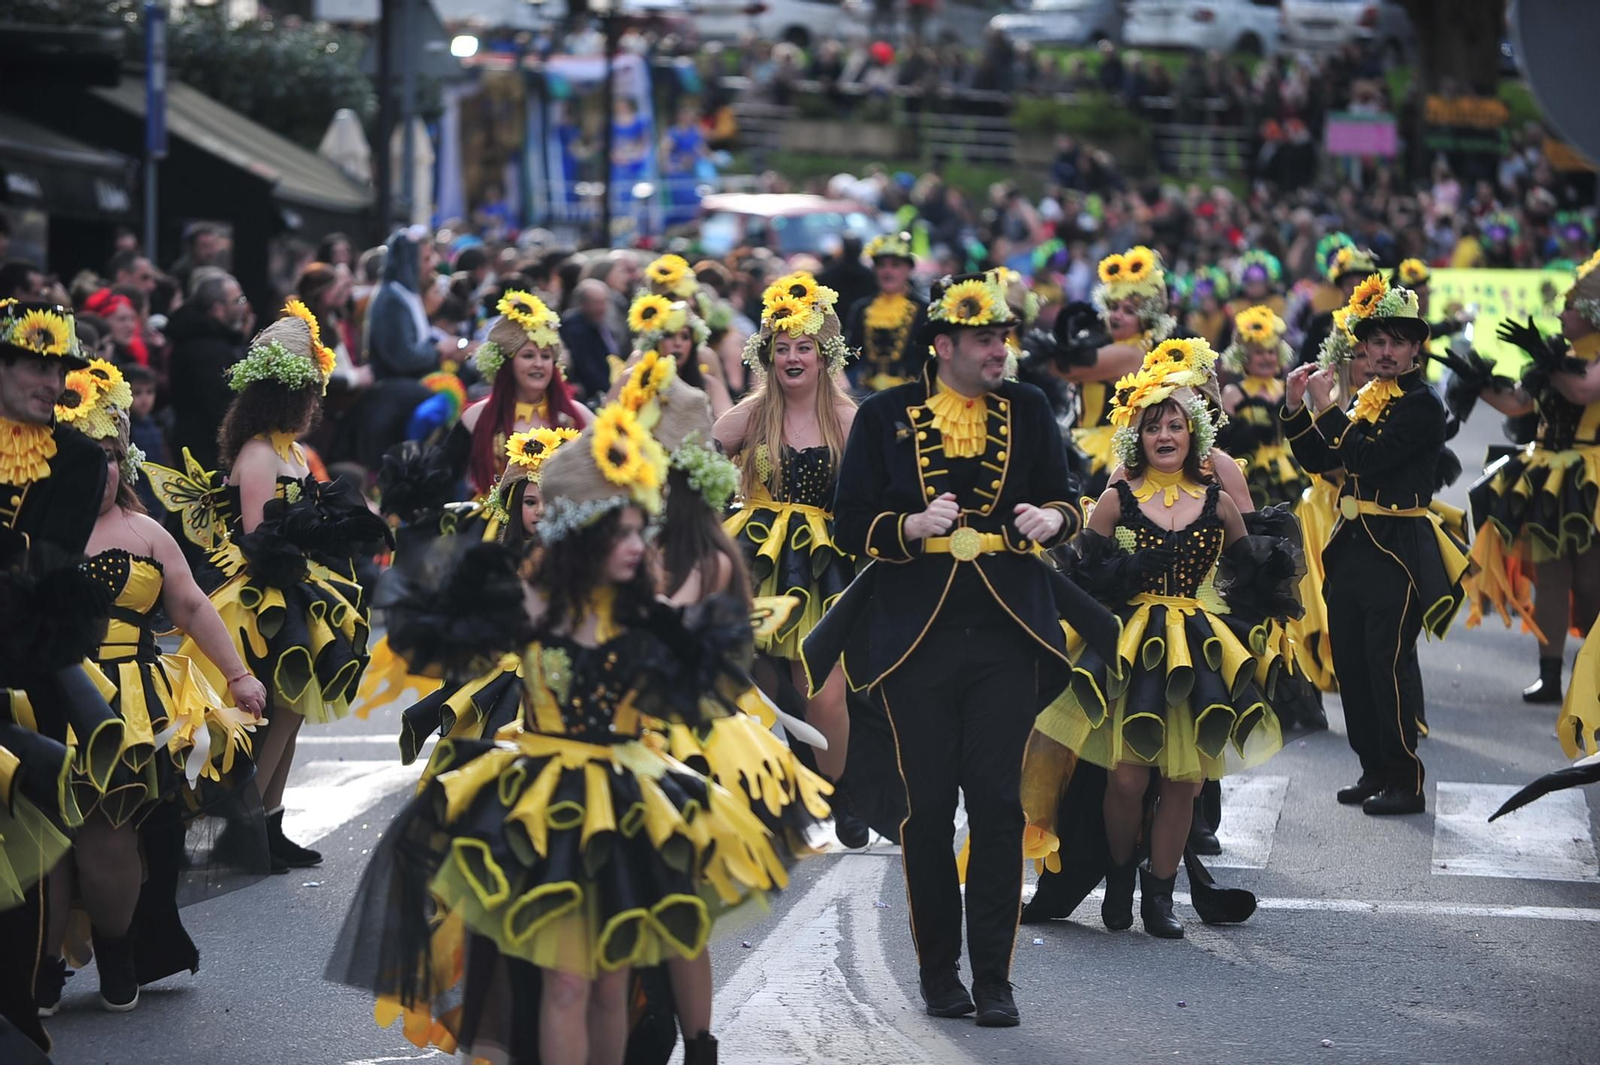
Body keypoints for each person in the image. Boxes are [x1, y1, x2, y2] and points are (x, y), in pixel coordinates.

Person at [329, 401, 783, 1065]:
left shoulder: (647, 608)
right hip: (542, 801)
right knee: (567, 982)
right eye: (621, 530)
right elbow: (435, 632)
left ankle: (694, 1038)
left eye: (639, 529)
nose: (637, 544)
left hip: (626, 800)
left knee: (610, 983)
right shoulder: (525, 598)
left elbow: (706, 638)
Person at [802, 271, 1115, 1027]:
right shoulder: (884, 416)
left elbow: (1066, 495)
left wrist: (1055, 520)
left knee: (1000, 806)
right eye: (985, 339)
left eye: (1004, 337)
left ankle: (996, 979)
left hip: (1008, 632)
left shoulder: (1030, 407)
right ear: (943, 344)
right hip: (917, 639)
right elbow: (849, 524)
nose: (1000, 350)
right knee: (930, 810)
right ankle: (940, 973)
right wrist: (907, 527)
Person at [1020, 341, 1291, 939]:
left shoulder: (1220, 500)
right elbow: (1081, 575)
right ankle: (1119, 881)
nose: (1164, 435)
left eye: (1175, 424)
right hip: (1131, 644)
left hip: (1196, 646)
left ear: (1193, 432)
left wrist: (1264, 605)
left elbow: (1250, 574)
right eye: (1152, 427)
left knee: (1186, 780)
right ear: (1136, 438)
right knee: (1125, 777)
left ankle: (1159, 899)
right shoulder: (1116, 497)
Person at [40, 386, 267, 1014]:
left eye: (113, 455)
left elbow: (192, 605)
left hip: (127, 708)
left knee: (105, 838)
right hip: (39, 697)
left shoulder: (144, 531)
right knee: (42, 838)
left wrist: (240, 675)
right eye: (89, 456)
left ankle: (119, 952)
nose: (104, 470)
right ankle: (40, 963)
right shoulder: (24, 529)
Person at [146, 302, 387, 867]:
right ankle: (246, 825)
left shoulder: (292, 451)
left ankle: (269, 824)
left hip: (294, 582)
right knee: (279, 706)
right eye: (309, 395)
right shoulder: (258, 455)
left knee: (296, 708)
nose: (315, 406)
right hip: (260, 591)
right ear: (285, 396)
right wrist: (311, 534)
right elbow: (258, 537)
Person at [1283, 276, 1469, 815]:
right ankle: (1373, 769)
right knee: (1354, 667)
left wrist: (1325, 410)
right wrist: (1297, 408)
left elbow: (1365, 459)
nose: (1384, 353)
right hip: (1354, 546)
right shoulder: (1367, 396)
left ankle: (1405, 780)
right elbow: (1323, 462)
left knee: (1385, 666)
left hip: (1398, 547)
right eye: (1377, 342)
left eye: (1396, 342)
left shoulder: (1423, 405)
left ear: (1416, 348)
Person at [0, 299, 120, 1049]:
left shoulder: (79, 458)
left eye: (59, 368)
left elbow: (45, 564)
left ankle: (15, 1005)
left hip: (23, 657)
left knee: (22, 836)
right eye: (37, 366)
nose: (52, 381)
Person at [715, 272, 859, 841]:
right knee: (749, 685)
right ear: (768, 356)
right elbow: (695, 471)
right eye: (783, 348)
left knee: (821, 692)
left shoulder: (849, 420)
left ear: (824, 357)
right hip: (753, 559)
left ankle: (839, 794)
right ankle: (764, 795)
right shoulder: (749, 416)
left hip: (824, 565)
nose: (793, 357)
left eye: (804, 348)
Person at [1464, 249, 1600, 704]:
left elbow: (1583, 389)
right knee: (1552, 578)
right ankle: (1550, 675)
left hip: (1591, 476)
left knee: (1590, 583)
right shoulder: (1557, 354)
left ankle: (1591, 670)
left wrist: (1546, 357)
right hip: (1545, 473)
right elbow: (1519, 403)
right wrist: (1476, 381)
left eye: (1568, 306)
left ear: (1591, 311)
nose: (1559, 313)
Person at [1053, 246, 1177, 495]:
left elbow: (1064, 367)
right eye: (1113, 306)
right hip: (1083, 442)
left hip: (1107, 452)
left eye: (1129, 311)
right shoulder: (1114, 344)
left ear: (1147, 319)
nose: (1116, 315)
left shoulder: (1132, 352)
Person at [447, 290, 591, 499]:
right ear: (507, 364)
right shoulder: (477, 415)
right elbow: (445, 479)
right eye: (528, 355)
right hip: (493, 527)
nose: (538, 364)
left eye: (545, 356)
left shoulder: (577, 414)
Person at [1219, 305, 1308, 509]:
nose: (1267, 357)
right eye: (1259, 352)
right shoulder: (1233, 393)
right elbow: (1224, 441)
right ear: (1244, 358)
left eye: (1271, 351)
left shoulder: (1288, 387)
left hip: (1292, 469)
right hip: (1250, 474)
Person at [166, 271, 247, 471]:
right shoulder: (208, 351)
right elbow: (220, 406)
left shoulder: (207, 341)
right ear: (218, 309)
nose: (243, 306)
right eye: (238, 300)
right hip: (206, 455)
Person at [621, 292, 733, 418]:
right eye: (669, 336)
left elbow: (728, 426)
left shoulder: (710, 385)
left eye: (685, 337)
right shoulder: (632, 378)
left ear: (693, 343)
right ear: (655, 342)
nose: (678, 343)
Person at [844, 232, 928, 393]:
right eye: (882, 265)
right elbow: (852, 354)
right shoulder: (861, 309)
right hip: (867, 393)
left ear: (909, 269)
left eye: (895, 265)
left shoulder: (923, 309)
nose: (887, 271)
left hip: (911, 393)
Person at [559, 278, 623, 402]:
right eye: (596, 303)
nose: (602, 308)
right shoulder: (573, 328)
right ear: (583, 304)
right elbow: (586, 368)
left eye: (604, 302)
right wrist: (611, 390)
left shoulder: (598, 322)